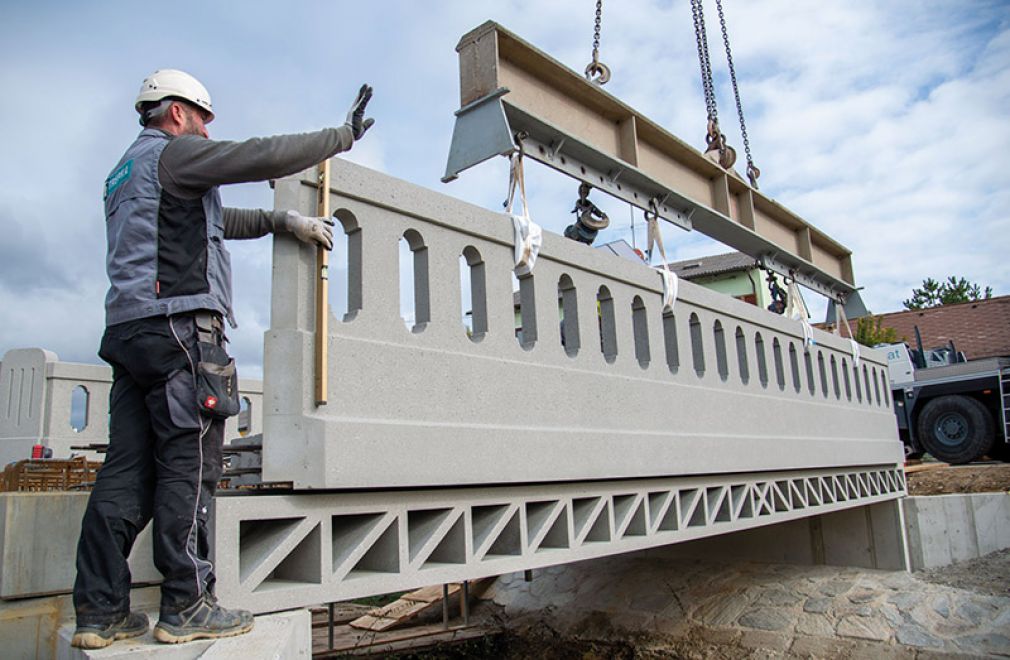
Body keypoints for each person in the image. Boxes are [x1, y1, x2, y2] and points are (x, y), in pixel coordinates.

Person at [71, 69, 374, 649]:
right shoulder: (177, 153)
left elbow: (212, 223)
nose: (210, 129)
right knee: (192, 466)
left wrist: (283, 222)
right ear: (178, 113)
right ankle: (187, 604)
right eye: (204, 117)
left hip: (131, 332)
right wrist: (340, 137)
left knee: (126, 471)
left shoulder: (126, 171)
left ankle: (100, 611)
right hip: (182, 334)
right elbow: (256, 156)